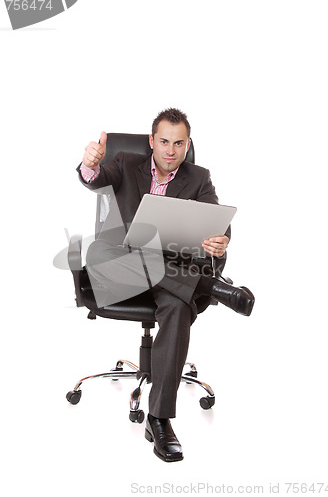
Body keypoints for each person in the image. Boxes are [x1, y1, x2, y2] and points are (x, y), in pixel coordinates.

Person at [77, 108, 255, 463]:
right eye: (163, 142)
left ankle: (158, 419)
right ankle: (209, 287)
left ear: (187, 144)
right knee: (105, 252)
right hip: (120, 268)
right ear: (151, 141)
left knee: (177, 307)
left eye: (179, 143)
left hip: (171, 277)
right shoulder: (126, 162)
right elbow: (94, 179)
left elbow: (216, 221)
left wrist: (221, 240)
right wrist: (90, 163)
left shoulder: (199, 177)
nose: (171, 151)